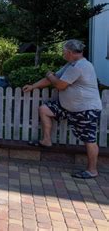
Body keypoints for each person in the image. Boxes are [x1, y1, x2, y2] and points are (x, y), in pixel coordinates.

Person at [23, 39, 102, 179]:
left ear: (70, 52)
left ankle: (92, 170)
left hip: (85, 109)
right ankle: (46, 140)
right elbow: (52, 79)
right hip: (68, 107)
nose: (62, 54)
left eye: (64, 51)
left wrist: (49, 75)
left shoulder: (81, 66)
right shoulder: (70, 65)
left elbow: (59, 85)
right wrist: (33, 86)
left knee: (89, 139)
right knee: (44, 109)